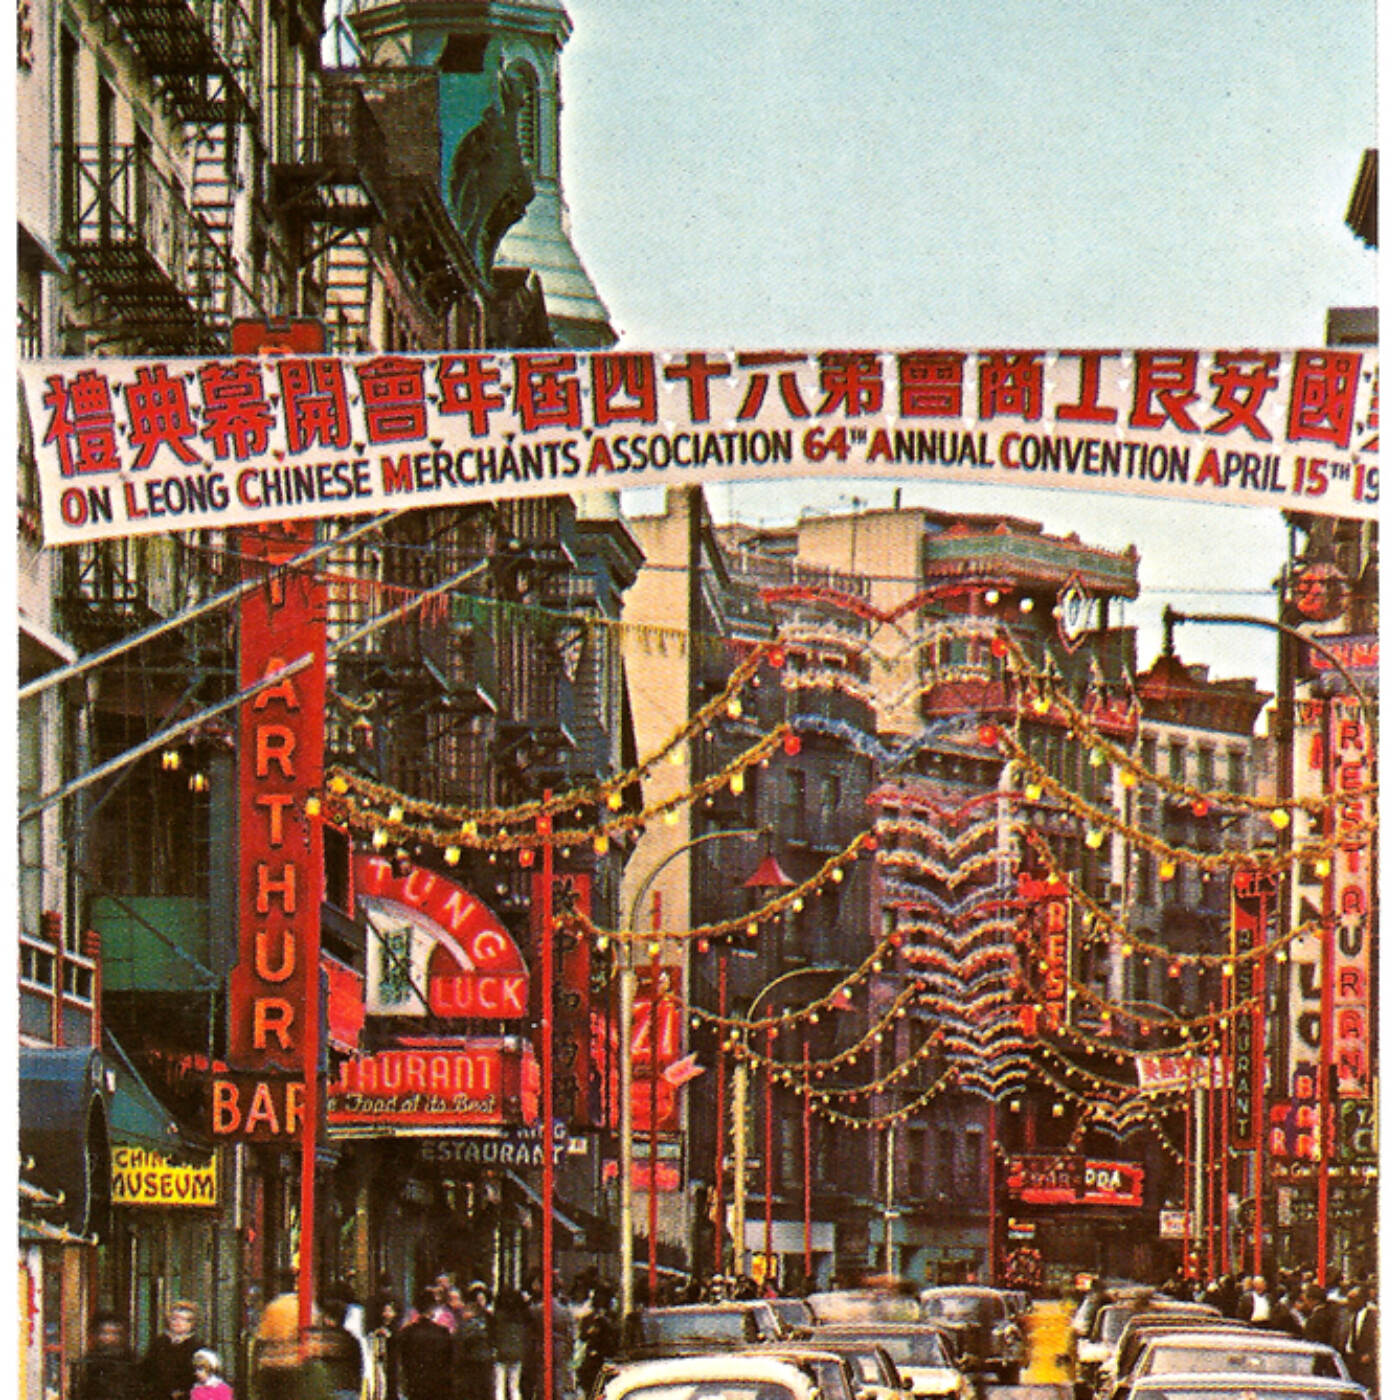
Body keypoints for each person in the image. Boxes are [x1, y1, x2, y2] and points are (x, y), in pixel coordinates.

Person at [398, 1288, 455, 1400]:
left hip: (414, 1385)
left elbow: (403, 1360)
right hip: (438, 1387)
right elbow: (449, 1362)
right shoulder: (442, 1332)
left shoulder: (407, 1332)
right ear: (432, 1309)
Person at [143, 1301, 204, 1400]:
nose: (178, 1323)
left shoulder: (198, 1348)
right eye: (174, 1319)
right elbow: (146, 1371)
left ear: (192, 1324)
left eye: (184, 1320)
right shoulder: (158, 1344)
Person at [73, 1312, 143, 1400]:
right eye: (104, 1333)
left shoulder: (134, 1363)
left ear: (125, 1335)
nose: (110, 1338)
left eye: (116, 1333)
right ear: (95, 1335)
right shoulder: (87, 1363)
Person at [492, 1288, 529, 1400]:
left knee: (499, 1386)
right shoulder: (521, 1318)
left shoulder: (498, 1317)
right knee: (514, 1387)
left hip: (501, 1352)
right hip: (517, 1353)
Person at [1342, 1284, 1377, 1393]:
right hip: (1347, 1360)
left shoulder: (1373, 1317)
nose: (1348, 1302)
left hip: (1363, 1363)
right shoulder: (1345, 1315)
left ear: (1362, 1300)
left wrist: (1371, 1354)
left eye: (1352, 1299)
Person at [365, 1296, 402, 1400]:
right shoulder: (377, 1329)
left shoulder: (396, 1330)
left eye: (390, 1311)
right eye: (385, 1311)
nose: (387, 1314)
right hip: (378, 1365)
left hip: (391, 1364)